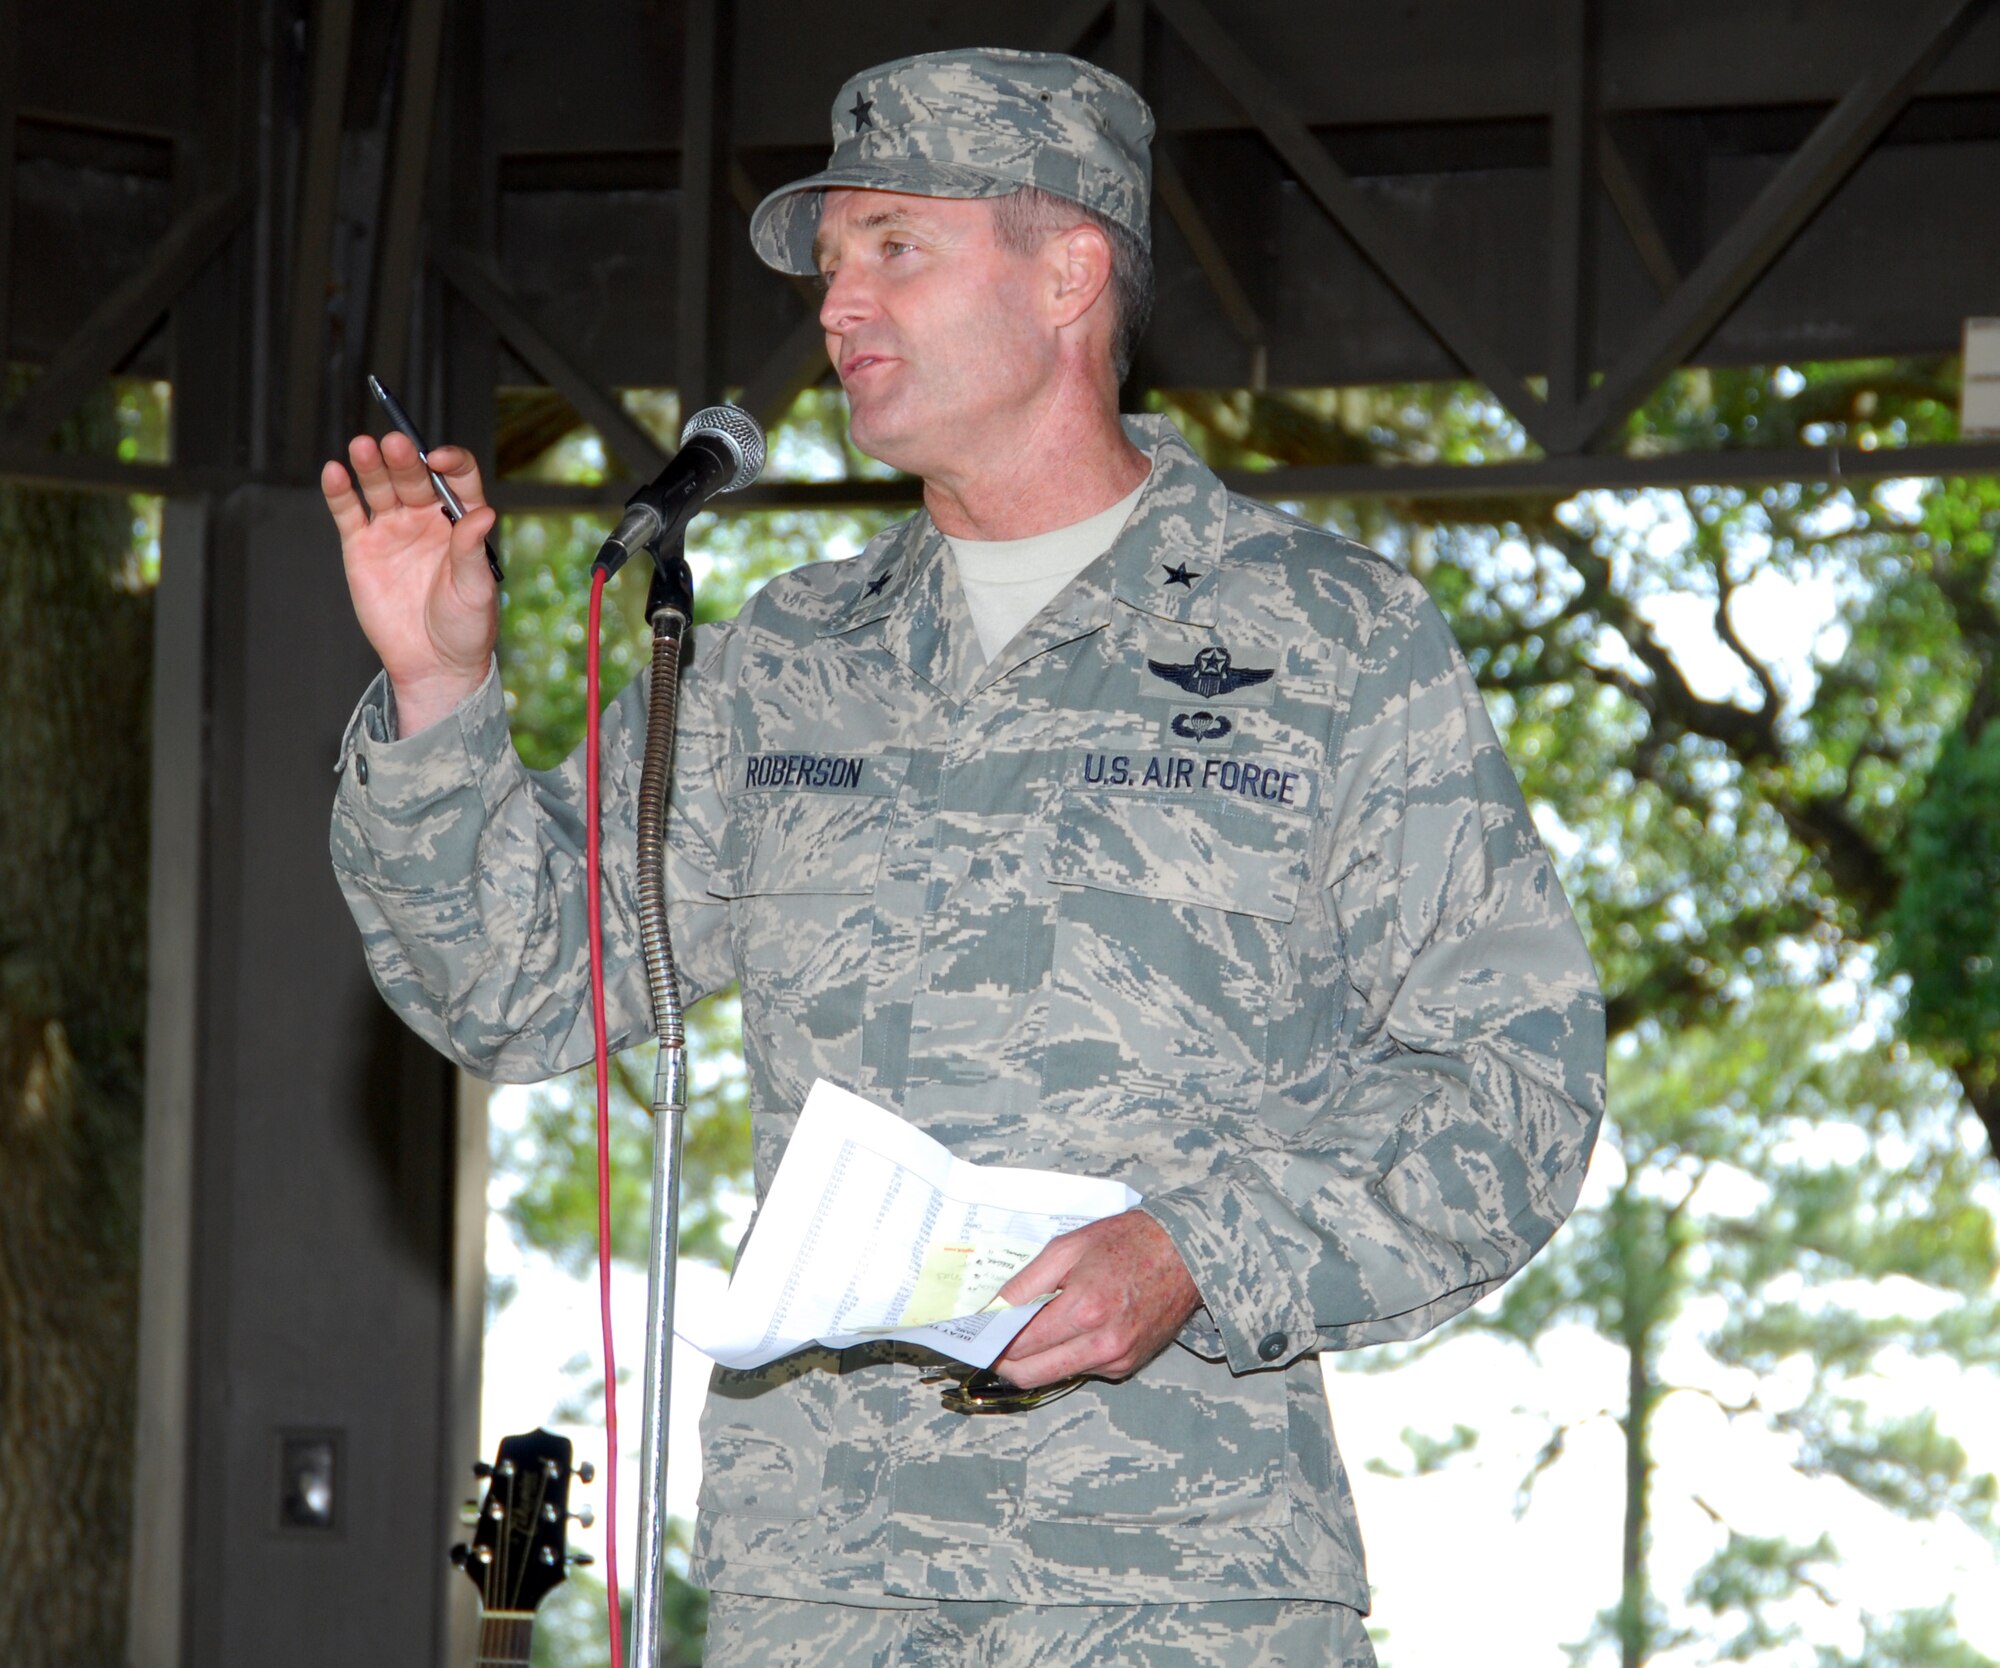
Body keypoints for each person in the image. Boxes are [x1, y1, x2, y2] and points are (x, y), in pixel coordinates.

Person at [326, 47, 1604, 1668]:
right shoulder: (787, 656)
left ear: (1070, 270)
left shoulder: (1330, 642)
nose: (838, 304)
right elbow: (512, 984)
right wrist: (438, 693)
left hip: (1183, 1585)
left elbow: (1514, 1080)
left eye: (892, 249)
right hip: (827, 1588)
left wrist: (1199, 1252)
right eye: (831, 263)